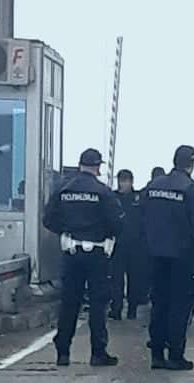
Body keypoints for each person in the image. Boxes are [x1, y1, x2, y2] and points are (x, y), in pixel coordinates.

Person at [43, 148, 124, 367]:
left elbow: (48, 219)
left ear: (80, 165)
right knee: (98, 304)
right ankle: (98, 353)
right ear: (97, 167)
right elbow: (118, 223)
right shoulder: (103, 192)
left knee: (69, 302)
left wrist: (67, 231)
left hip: (71, 252)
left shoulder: (63, 189)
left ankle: (63, 352)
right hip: (97, 253)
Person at [141, 145, 194, 371]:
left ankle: (157, 355)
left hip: (154, 255)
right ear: (191, 164)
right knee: (180, 306)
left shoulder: (153, 187)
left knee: (159, 303)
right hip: (182, 257)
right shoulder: (192, 189)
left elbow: (140, 217)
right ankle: (175, 355)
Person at [109, 169, 144, 321]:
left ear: (131, 182)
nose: (123, 184)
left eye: (126, 181)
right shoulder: (112, 197)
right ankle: (116, 308)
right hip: (117, 243)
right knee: (116, 278)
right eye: (121, 181)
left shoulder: (138, 198)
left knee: (134, 278)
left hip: (135, 244)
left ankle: (132, 309)